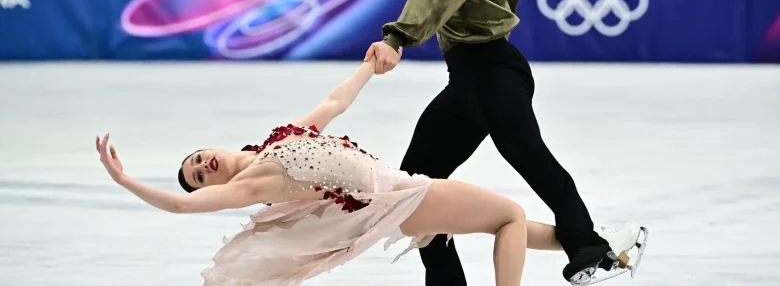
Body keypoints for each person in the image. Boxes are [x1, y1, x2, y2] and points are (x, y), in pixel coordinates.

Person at [364, 0, 646, 285]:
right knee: (415, 191)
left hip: (489, 72)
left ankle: (594, 249)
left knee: (519, 160)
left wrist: (398, 36)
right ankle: (587, 246)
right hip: (475, 77)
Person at [95, 56, 640, 285]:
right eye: (199, 174)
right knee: (508, 216)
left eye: (196, 159)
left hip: (396, 195)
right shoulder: (251, 182)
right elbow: (183, 204)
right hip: (396, 199)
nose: (200, 168)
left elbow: (332, 104)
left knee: (498, 223)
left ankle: (597, 248)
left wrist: (369, 65)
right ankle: (588, 247)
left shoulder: (276, 141)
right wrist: (127, 182)